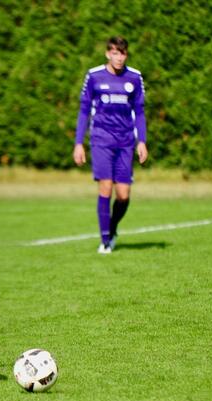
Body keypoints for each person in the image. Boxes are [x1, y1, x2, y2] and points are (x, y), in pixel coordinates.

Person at [73, 36, 148, 254]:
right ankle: (105, 240)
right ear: (108, 53)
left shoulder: (134, 78)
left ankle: (112, 229)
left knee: (123, 194)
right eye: (114, 53)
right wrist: (79, 143)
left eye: (122, 53)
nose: (118, 57)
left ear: (126, 55)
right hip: (101, 139)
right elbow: (84, 111)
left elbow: (140, 112)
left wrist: (141, 140)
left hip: (125, 142)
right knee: (105, 187)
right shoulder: (94, 76)